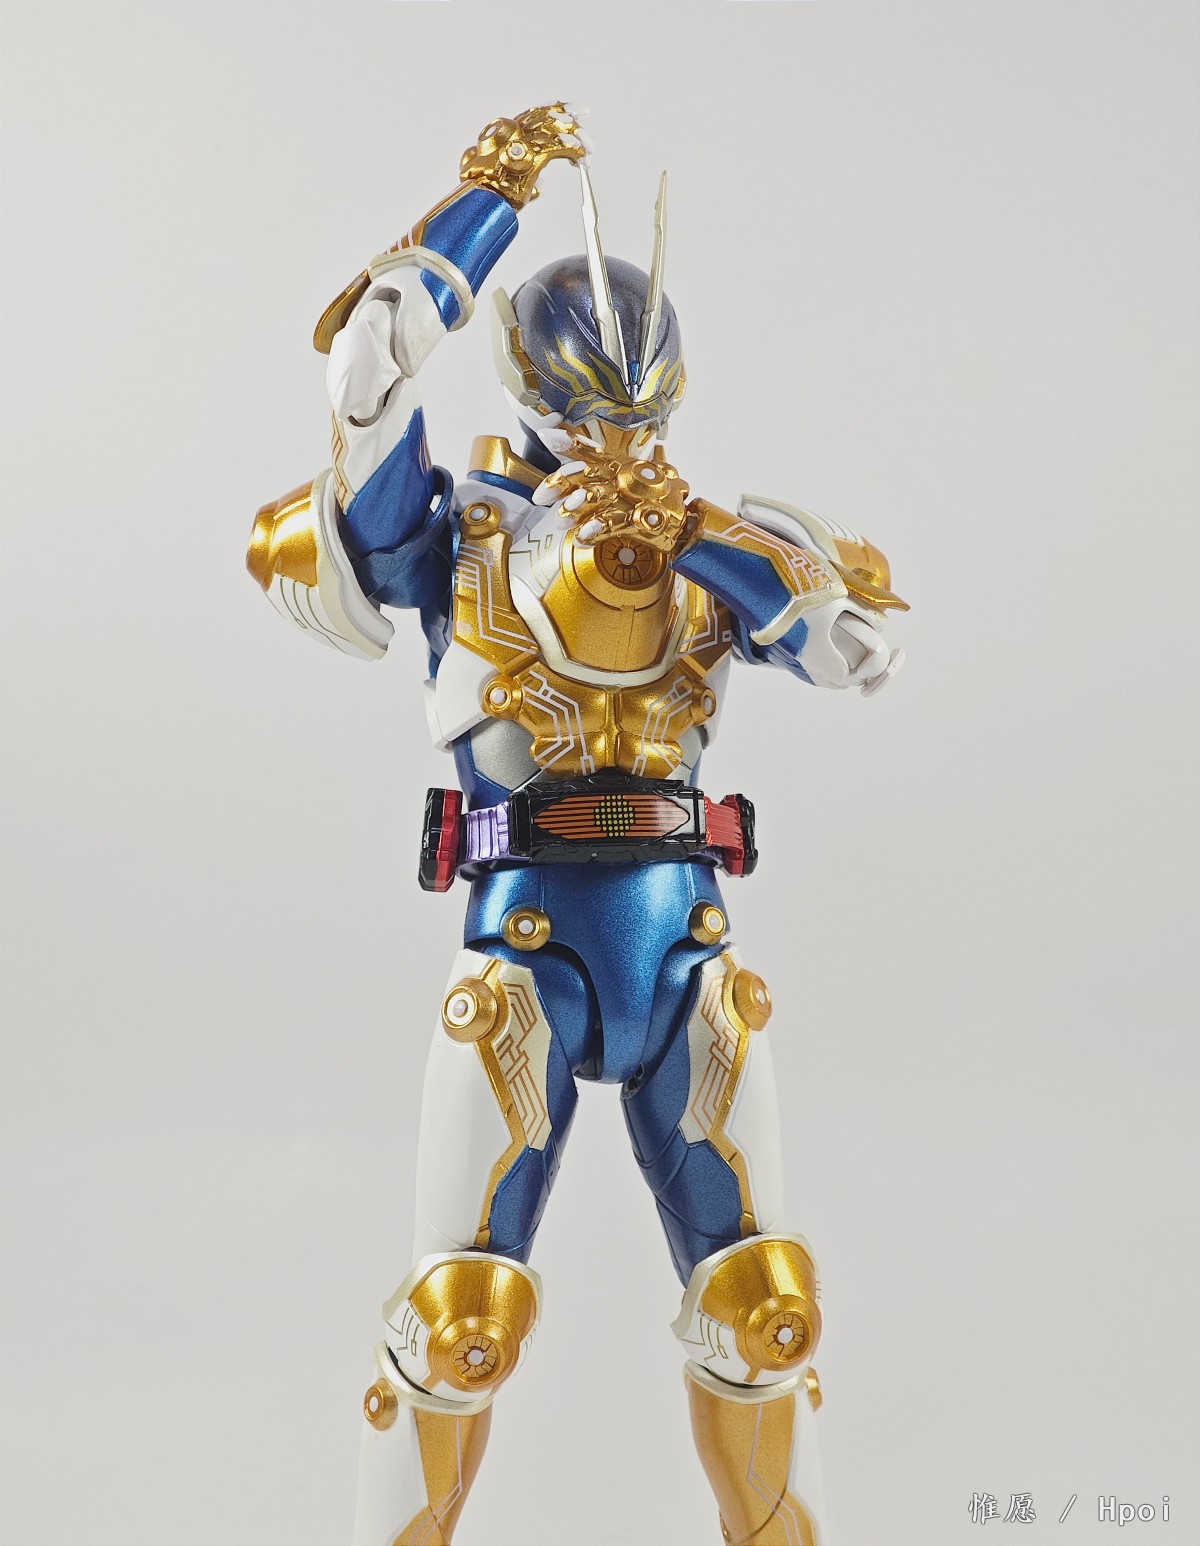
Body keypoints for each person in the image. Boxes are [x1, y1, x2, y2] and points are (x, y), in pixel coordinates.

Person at [248, 101, 906, 1546]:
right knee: (457, 1323)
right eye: (595, 411)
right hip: (524, 958)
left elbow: (862, 650)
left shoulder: (714, 548)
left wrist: (709, 544)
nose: (621, 439)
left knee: (767, 1311)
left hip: (687, 958)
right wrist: (484, 202)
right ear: (538, 395)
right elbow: (365, 370)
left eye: (643, 415)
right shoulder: (463, 536)